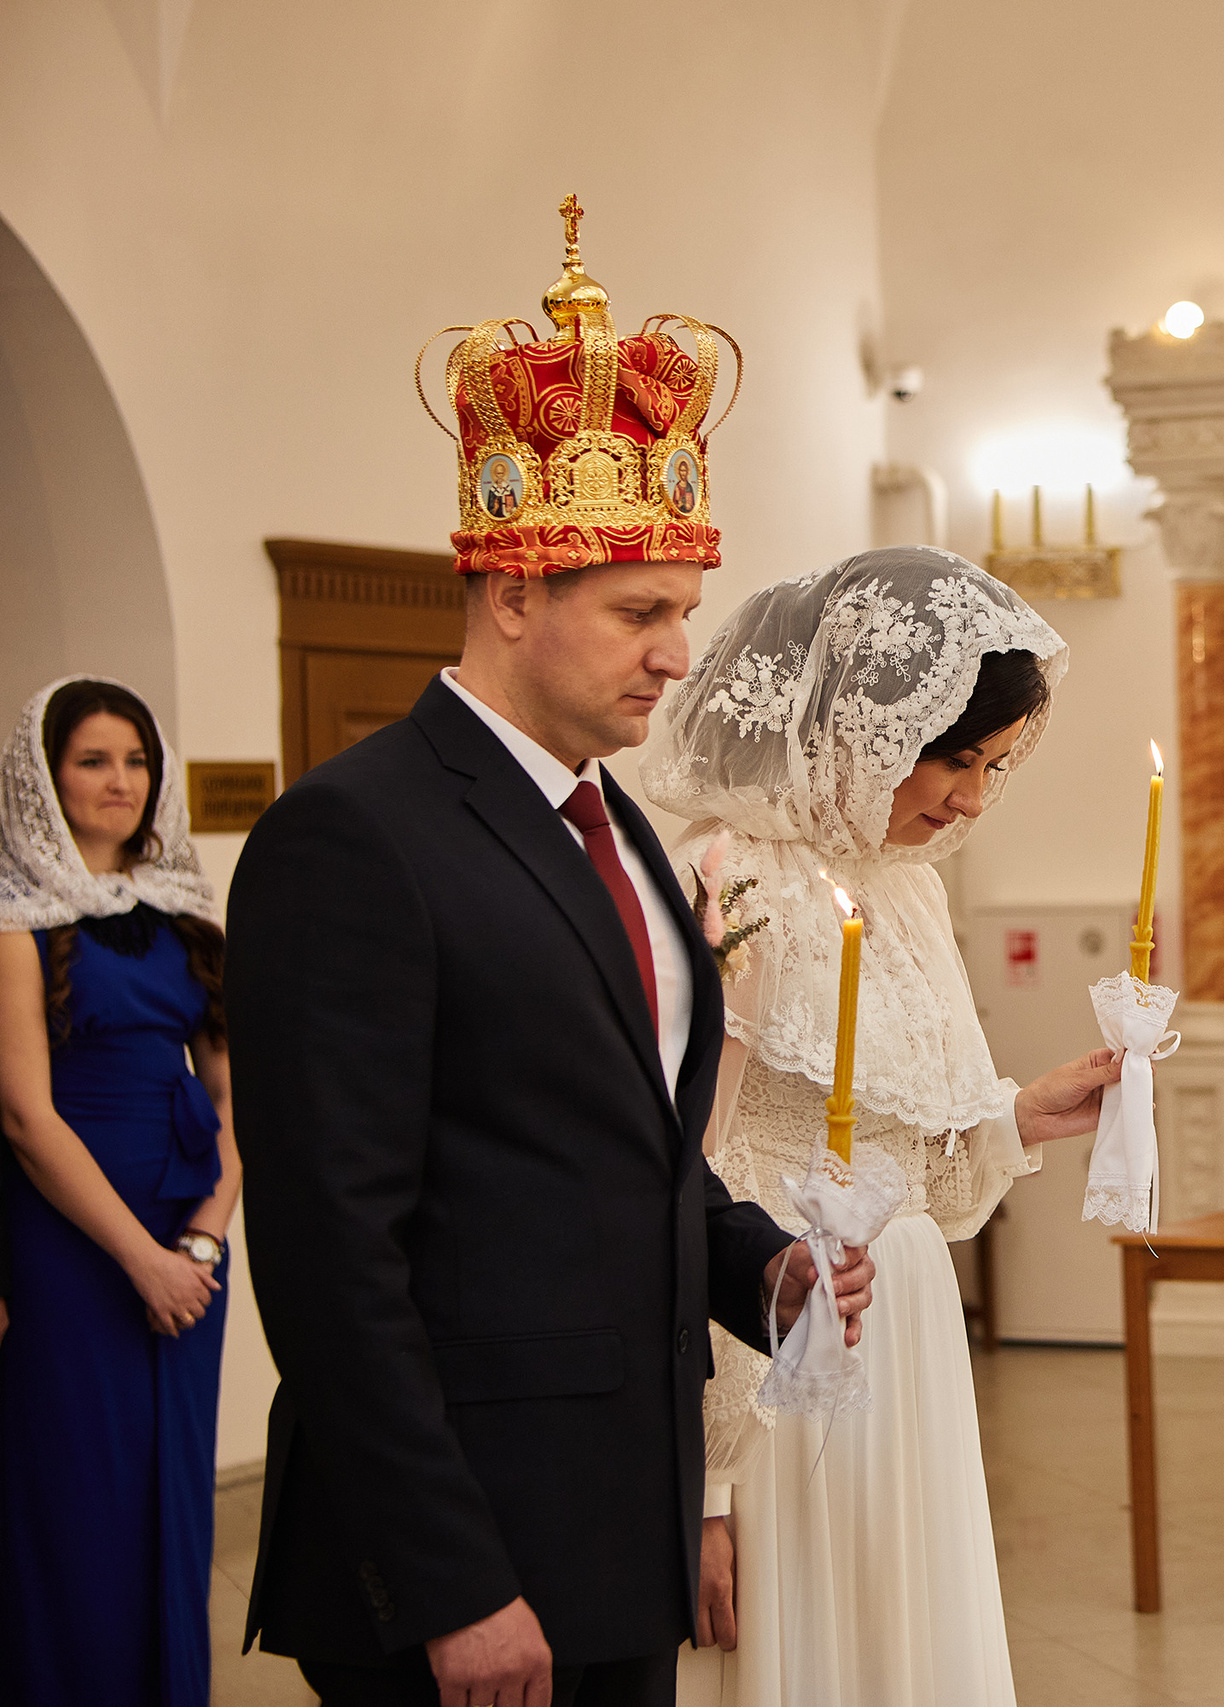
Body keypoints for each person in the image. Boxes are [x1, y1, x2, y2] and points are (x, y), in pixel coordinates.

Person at [226, 208, 868, 1707]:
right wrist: (450, 1577)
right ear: (513, 595)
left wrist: (760, 1268)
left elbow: (629, 1149)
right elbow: (330, 1249)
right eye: (641, 613)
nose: (676, 654)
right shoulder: (354, 835)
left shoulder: (619, 824)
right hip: (460, 1551)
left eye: (683, 615)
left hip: (613, 1516)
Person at [645, 548, 1122, 1707]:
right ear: (861, 724)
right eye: (954, 759)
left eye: (992, 767)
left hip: (905, 1316)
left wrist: (1017, 1115)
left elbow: (911, 1168)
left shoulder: (905, 884)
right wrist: (708, 1480)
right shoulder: (730, 880)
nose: (971, 800)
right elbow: (693, 1178)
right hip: (782, 1342)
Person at [0, 676, 238, 1707]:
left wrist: (204, 1239)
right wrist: (140, 1259)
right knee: (79, 1494)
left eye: (137, 760)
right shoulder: (14, 921)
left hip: (188, 1242)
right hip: (71, 1244)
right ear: (44, 778)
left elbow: (236, 1099)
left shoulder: (186, 914)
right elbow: (24, 1116)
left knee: (173, 1488)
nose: (121, 780)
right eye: (93, 760)